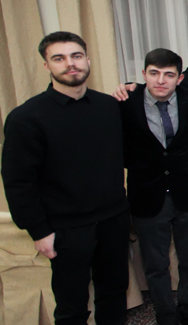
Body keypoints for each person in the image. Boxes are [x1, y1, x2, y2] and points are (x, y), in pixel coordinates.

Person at [2, 32, 129, 325]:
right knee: (71, 306)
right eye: (59, 58)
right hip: (65, 229)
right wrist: (38, 231)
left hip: (113, 220)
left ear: (87, 60)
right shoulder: (26, 118)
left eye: (76, 56)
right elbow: (19, 182)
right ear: (46, 66)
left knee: (114, 294)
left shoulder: (108, 107)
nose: (70, 64)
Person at [117, 48, 188, 325]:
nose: (161, 80)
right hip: (147, 195)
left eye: (168, 75)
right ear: (144, 74)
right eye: (154, 73)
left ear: (179, 78)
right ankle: (166, 316)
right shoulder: (125, 102)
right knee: (156, 265)